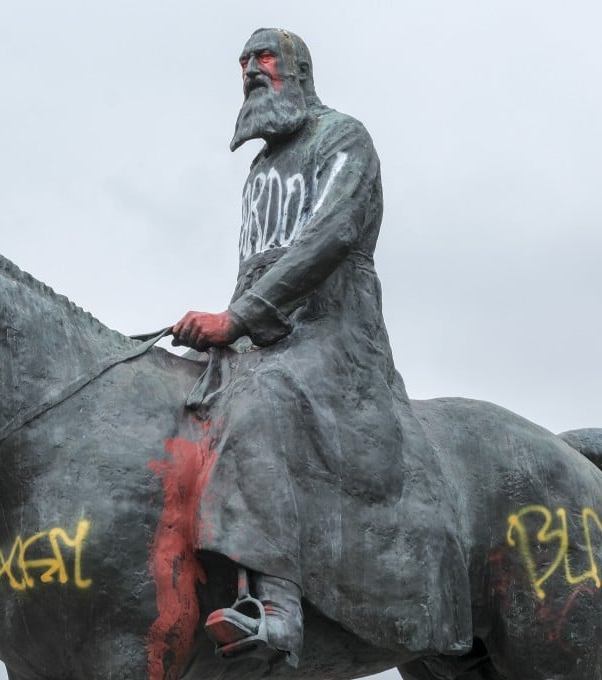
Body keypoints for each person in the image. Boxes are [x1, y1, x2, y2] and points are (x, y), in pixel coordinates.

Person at [171, 28, 443, 668]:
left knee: (261, 401)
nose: (251, 72)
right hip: (261, 335)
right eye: (243, 63)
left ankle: (278, 609)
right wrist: (215, 333)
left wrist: (235, 319)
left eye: (263, 59)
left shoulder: (343, 137)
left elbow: (329, 239)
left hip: (333, 336)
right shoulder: (260, 170)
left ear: (297, 68)